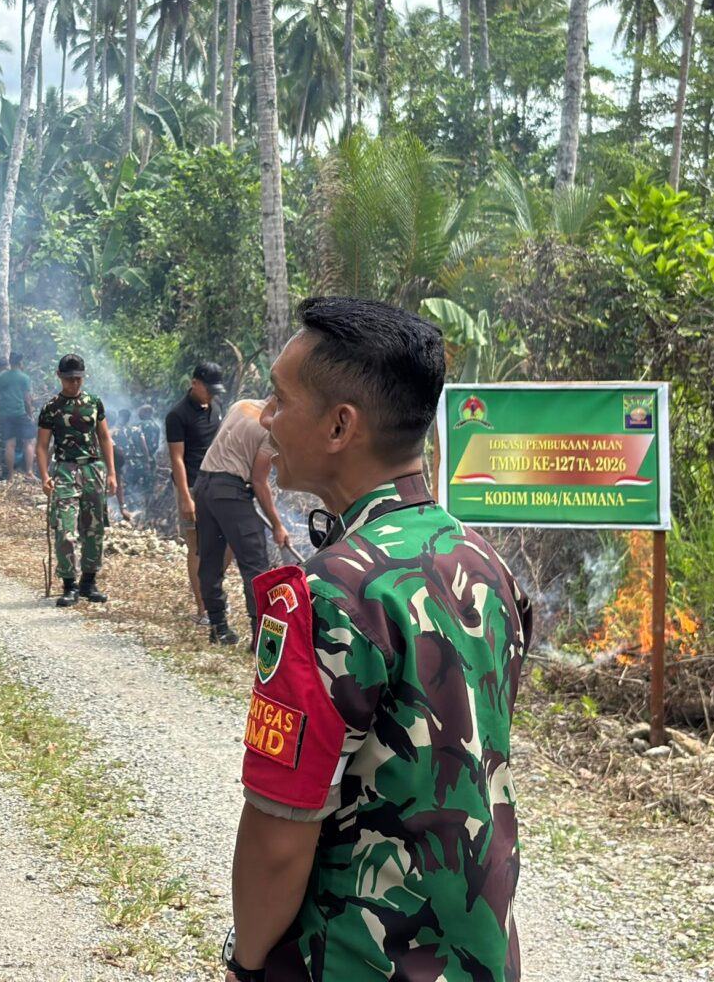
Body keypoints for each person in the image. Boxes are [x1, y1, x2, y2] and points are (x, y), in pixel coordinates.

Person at [224, 297, 530, 982]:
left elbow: (279, 838)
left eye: (279, 398)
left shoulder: (327, 592)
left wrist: (246, 965)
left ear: (340, 425)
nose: (265, 417)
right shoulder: (486, 564)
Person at [193, 395, 292, 647]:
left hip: (204, 486)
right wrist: (277, 525)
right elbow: (259, 481)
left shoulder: (240, 405)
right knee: (255, 565)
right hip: (230, 492)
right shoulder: (272, 428)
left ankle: (218, 627)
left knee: (210, 559)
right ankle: (260, 640)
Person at [35, 353, 117, 608]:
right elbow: (42, 445)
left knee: (94, 529)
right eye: (69, 379)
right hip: (65, 471)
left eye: (78, 378)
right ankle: (69, 584)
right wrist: (45, 476)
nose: (74, 383)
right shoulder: (51, 408)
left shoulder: (94, 403)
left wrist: (112, 473)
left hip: (93, 469)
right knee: (65, 530)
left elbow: (104, 438)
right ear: (59, 377)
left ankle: (89, 583)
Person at [166, 362, 225, 609]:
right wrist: (185, 497)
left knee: (225, 542)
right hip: (191, 486)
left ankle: (213, 592)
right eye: (208, 389)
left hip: (217, 484)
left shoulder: (216, 407)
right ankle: (203, 608)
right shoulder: (177, 415)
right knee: (197, 546)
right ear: (194, 383)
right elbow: (177, 458)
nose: (211, 395)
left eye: (215, 390)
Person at [0, 353, 37, 482]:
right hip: (20, 413)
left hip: (5, 415)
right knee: (29, 441)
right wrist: (30, 415)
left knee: (9, 444)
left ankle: (10, 476)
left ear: (10, 362)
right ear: (20, 363)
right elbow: (27, 400)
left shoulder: (1, 378)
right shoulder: (24, 378)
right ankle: (29, 472)